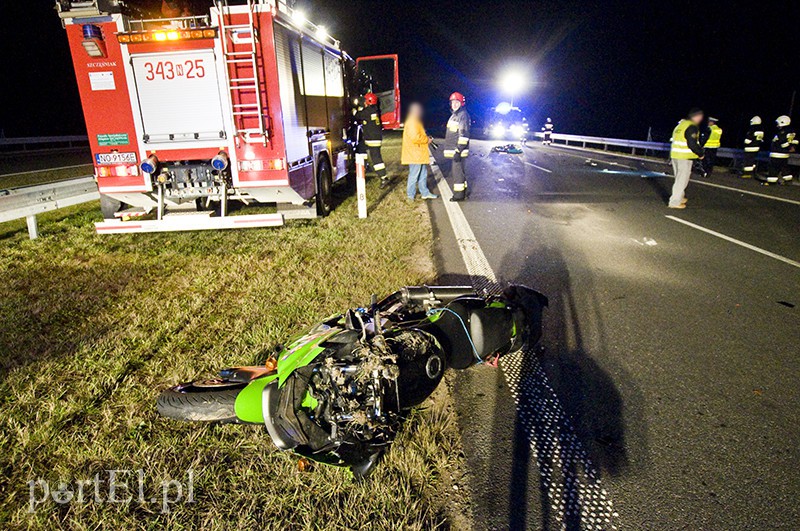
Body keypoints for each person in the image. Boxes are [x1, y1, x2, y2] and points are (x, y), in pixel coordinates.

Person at [668, 108, 705, 209]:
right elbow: (692, 143)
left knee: (679, 179)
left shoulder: (680, 125)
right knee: (682, 180)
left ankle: (680, 197)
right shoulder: (691, 127)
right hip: (684, 157)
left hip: (675, 155)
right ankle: (674, 202)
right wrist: (700, 153)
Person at [402, 103, 437, 201]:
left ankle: (425, 193)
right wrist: (427, 140)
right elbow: (415, 137)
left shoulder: (415, 121)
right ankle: (410, 196)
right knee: (414, 175)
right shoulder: (412, 121)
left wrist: (426, 138)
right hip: (414, 154)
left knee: (423, 174)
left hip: (418, 154)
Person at [355, 92, 389, 188]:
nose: (364, 102)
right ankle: (365, 166)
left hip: (372, 139)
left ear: (368, 101)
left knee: (376, 159)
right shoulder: (374, 110)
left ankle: (383, 177)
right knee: (361, 148)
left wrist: (355, 109)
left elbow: (357, 115)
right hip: (372, 138)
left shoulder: (368, 111)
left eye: (365, 100)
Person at [444, 92, 471, 202]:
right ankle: (463, 193)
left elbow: (464, 135)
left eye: (457, 102)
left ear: (461, 103)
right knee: (459, 172)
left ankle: (459, 196)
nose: (454, 104)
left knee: (457, 173)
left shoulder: (462, 115)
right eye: (453, 102)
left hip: (458, 150)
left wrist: (458, 150)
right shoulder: (455, 115)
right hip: (457, 150)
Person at [767, 115, 797, 185]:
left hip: (777, 153)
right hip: (784, 154)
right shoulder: (791, 132)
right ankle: (788, 181)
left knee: (773, 168)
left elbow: (782, 142)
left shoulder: (782, 132)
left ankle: (771, 182)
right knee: (784, 168)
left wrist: (786, 147)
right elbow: (794, 141)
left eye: (778, 123)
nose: (777, 125)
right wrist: (792, 147)